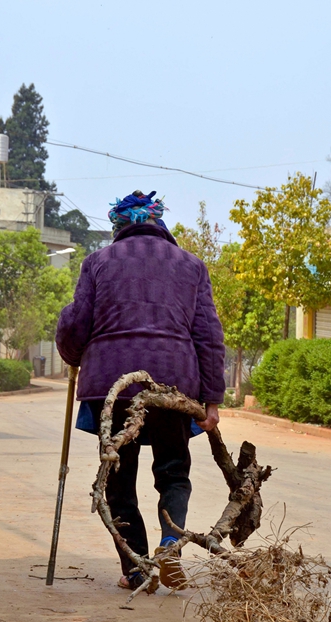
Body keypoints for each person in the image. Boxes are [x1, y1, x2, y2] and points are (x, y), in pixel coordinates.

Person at [56, 191, 225, 590]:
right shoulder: (192, 265)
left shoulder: (97, 262)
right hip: (173, 383)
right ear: (159, 223)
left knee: (119, 480)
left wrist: (71, 349)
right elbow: (209, 336)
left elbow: (76, 326)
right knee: (174, 472)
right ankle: (170, 543)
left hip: (112, 385)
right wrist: (212, 400)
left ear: (119, 226)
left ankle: (136, 569)